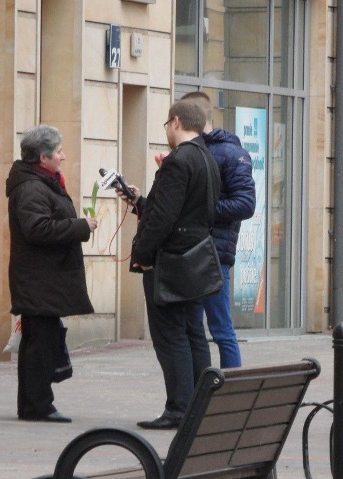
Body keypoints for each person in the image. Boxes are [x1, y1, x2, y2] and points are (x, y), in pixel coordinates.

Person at [117, 100, 222, 430]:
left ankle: (178, 409)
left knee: (172, 337)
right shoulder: (206, 157)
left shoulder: (179, 161)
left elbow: (164, 218)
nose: (166, 131)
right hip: (195, 259)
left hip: (172, 261)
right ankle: (198, 407)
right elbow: (185, 211)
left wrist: (143, 257)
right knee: (193, 333)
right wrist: (140, 201)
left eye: (166, 125)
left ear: (176, 122)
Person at [5, 124, 98, 423]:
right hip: (38, 279)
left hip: (43, 278)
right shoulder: (32, 187)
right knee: (39, 345)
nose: (64, 157)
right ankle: (38, 406)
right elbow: (38, 229)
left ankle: (33, 405)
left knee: (38, 342)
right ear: (43, 157)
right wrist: (81, 227)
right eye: (59, 152)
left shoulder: (41, 182)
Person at [179, 91, 256, 369]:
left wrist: (200, 209)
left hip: (214, 256)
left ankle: (230, 398)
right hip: (190, 253)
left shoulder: (231, 153)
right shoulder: (192, 150)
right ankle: (198, 394)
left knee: (221, 330)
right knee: (192, 329)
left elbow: (245, 205)